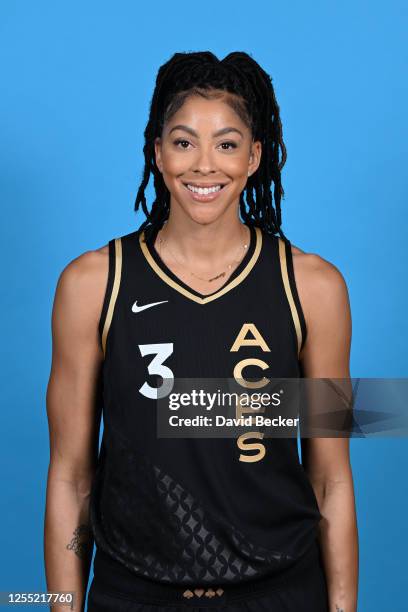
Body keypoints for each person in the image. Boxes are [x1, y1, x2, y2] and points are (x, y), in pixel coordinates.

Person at [44, 51, 358, 612]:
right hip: (134, 596)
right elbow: (71, 477)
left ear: (255, 157)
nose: (204, 165)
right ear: (158, 152)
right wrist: (64, 605)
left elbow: (331, 479)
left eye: (228, 143)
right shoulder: (93, 284)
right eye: (184, 141)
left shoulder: (313, 287)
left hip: (281, 595)